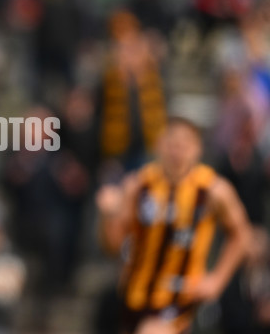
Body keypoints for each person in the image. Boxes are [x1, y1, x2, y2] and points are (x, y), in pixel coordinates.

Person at [96, 117, 251, 334]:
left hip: (178, 300)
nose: (177, 151)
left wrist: (217, 280)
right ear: (159, 145)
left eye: (185, 144)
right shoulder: (139, 185)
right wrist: (107, 217)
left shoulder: (213, 191)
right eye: (172, 143)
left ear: (197, 149)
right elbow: (113, 246)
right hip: (133, 295)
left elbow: (242, 234)